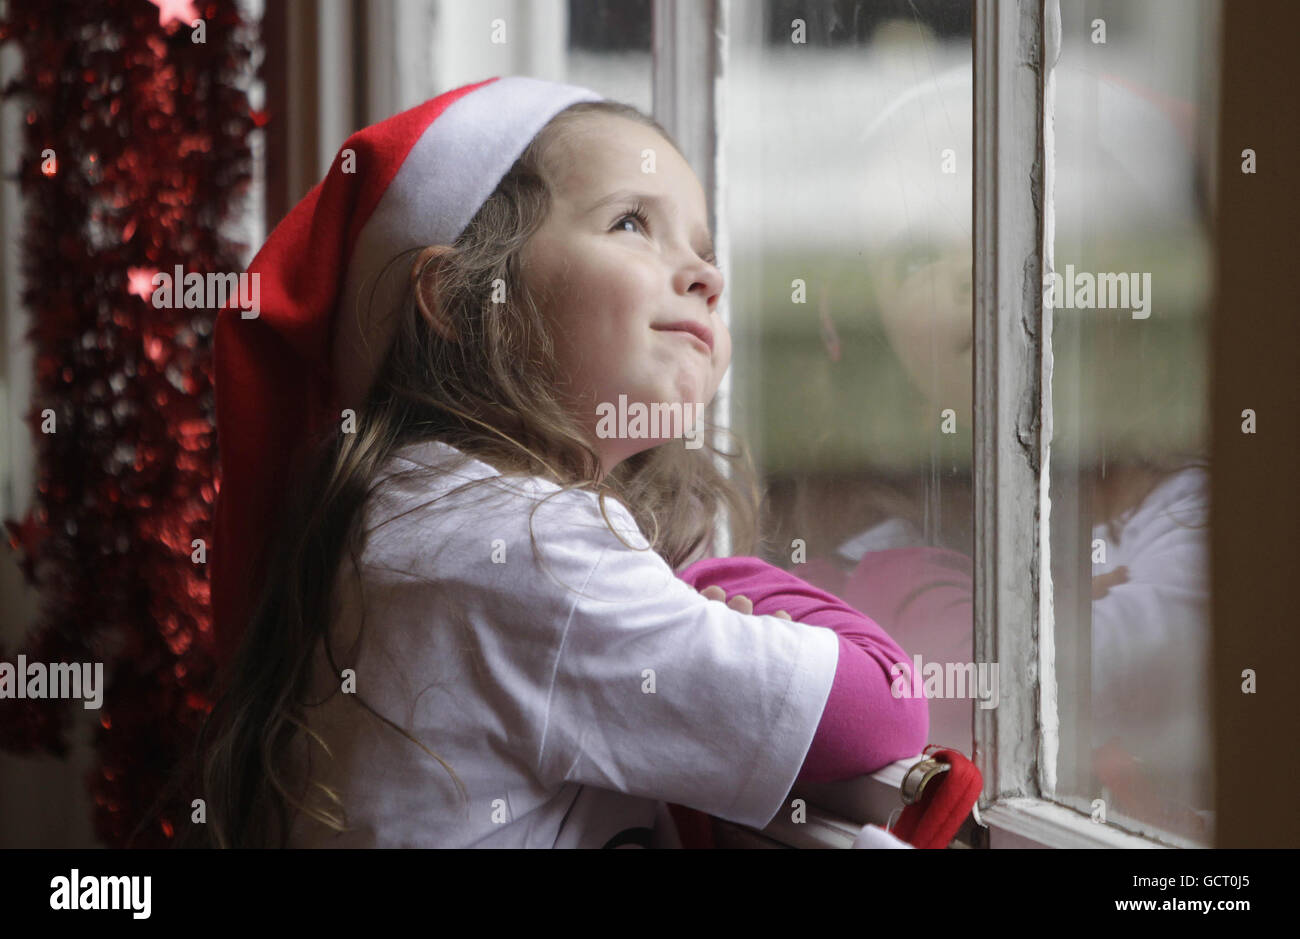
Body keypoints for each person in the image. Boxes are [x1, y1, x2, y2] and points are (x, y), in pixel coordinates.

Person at [190, 76, 928, 848]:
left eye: (705, 252)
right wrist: (710, 584)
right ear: (460, 297)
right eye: (633, 222)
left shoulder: (400, 521)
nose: (706, 277)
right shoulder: (533, 547)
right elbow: (883, 703)